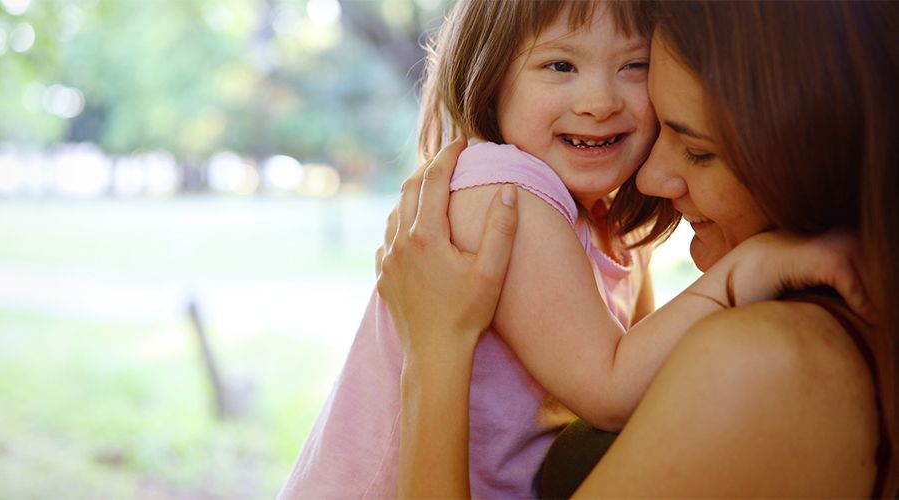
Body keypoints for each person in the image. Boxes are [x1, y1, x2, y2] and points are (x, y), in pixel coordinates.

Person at [377, 1, 898, 498]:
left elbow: (615, 386)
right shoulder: (502, 194)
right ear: (487, 73)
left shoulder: (773, 363)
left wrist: (435, 353)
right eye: (560, 64)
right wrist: (748, 269)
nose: (650, 178)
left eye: (697, 150)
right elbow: (614, 386)